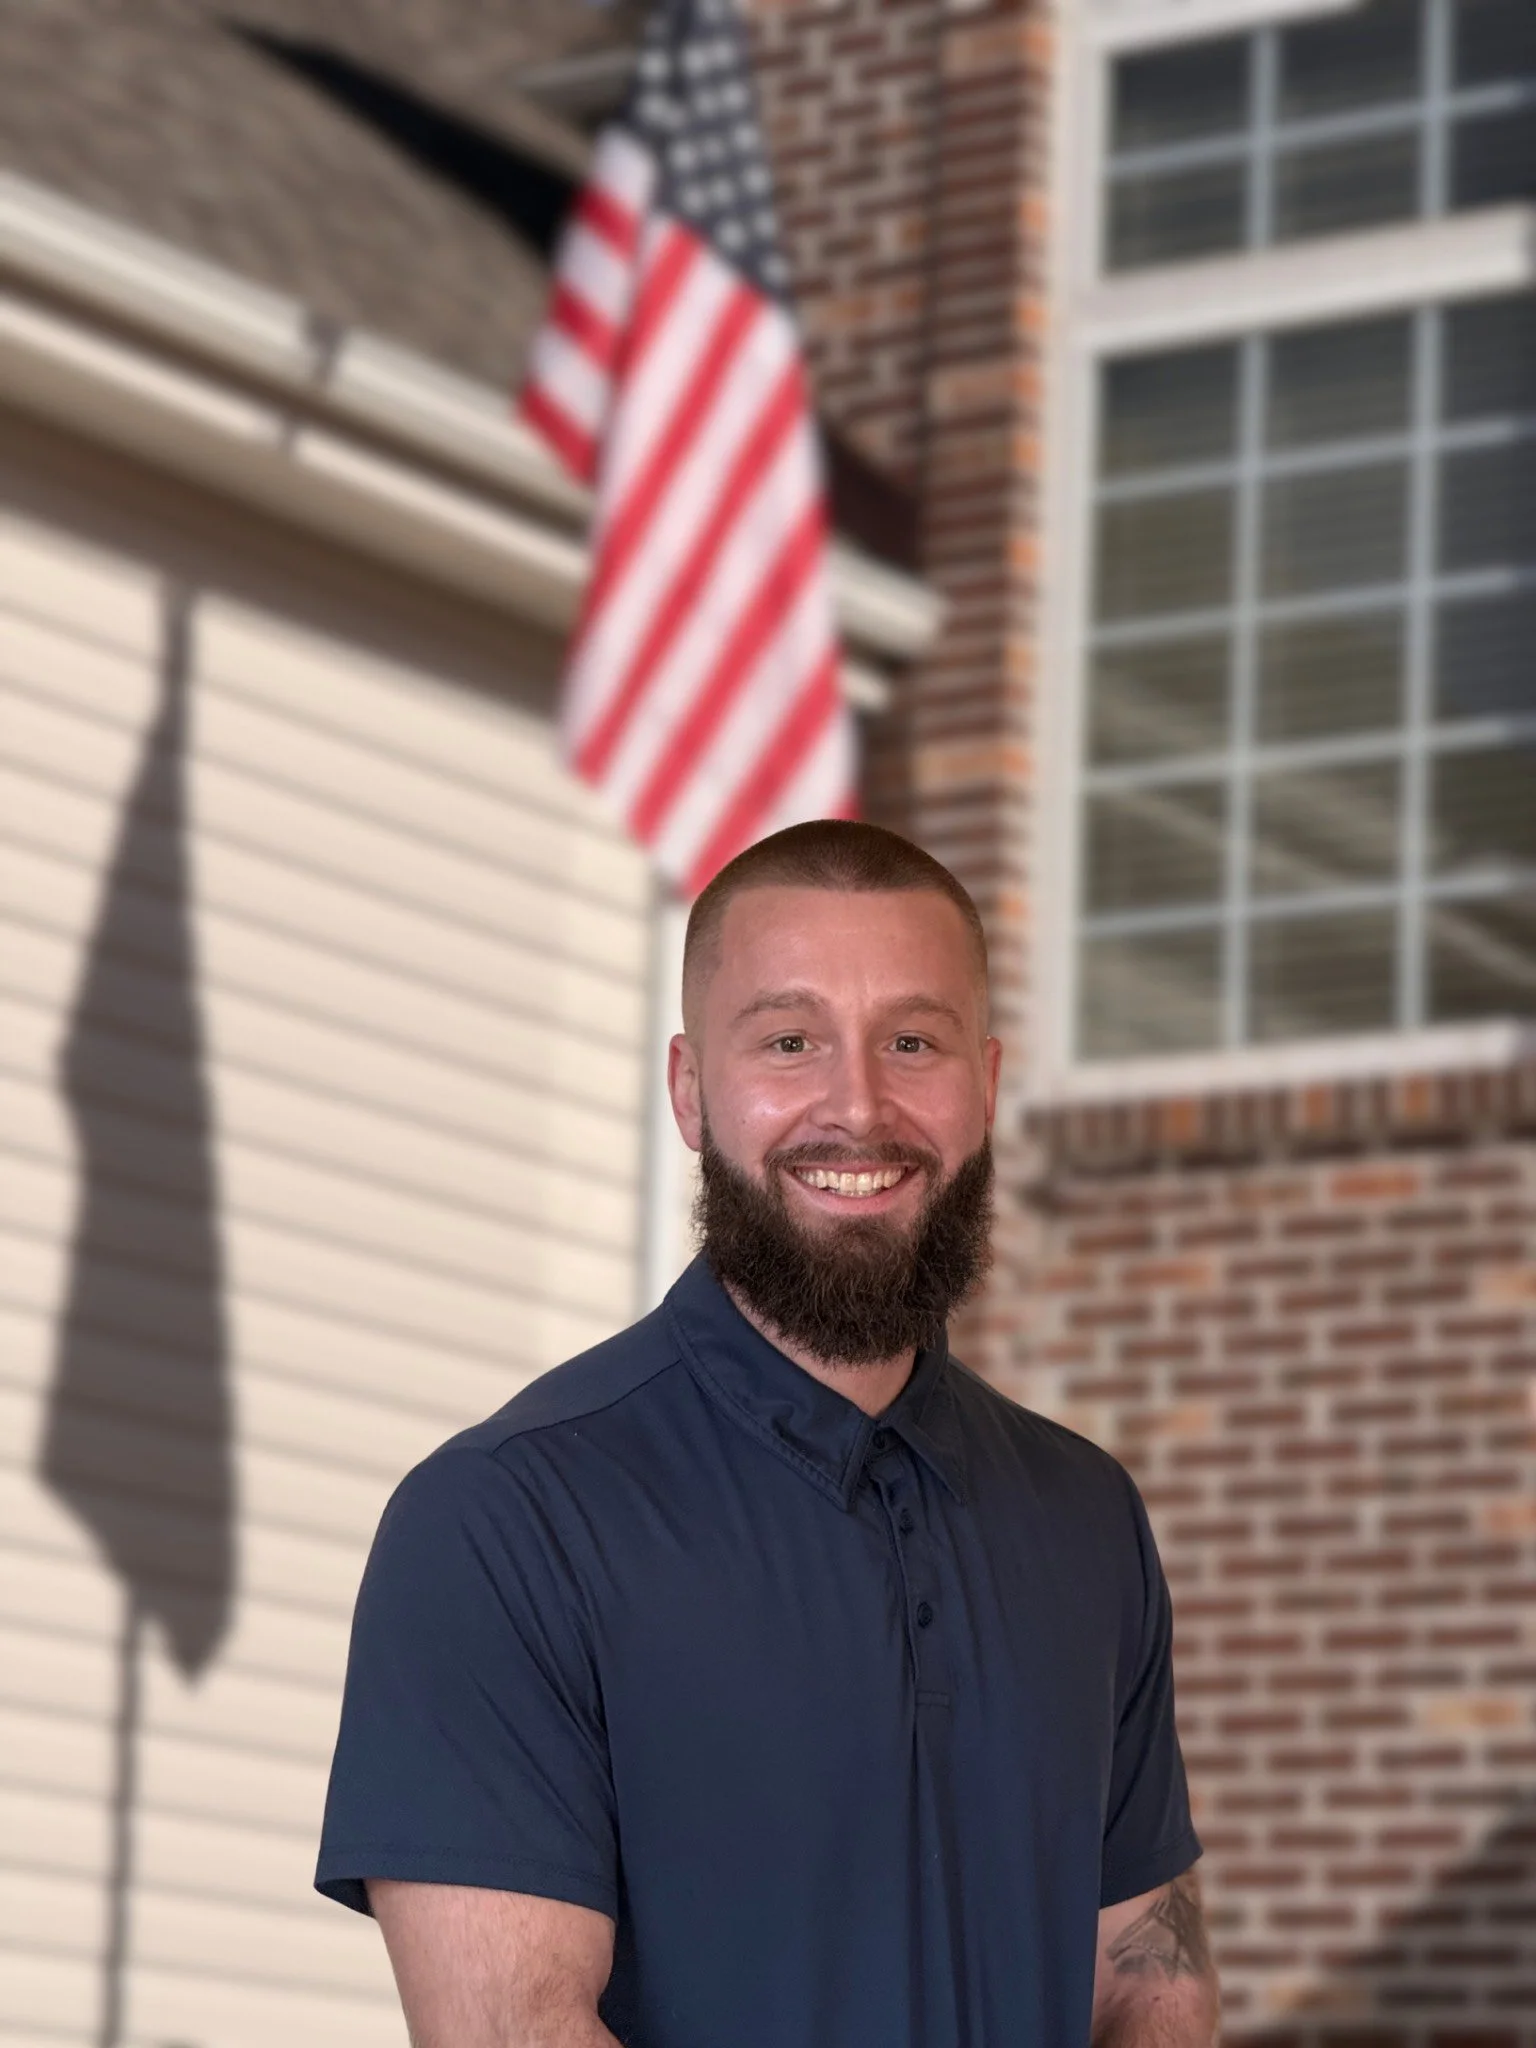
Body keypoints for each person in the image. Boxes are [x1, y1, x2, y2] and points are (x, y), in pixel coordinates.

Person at [316, 820, 1217, 2048]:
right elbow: (516, 2029)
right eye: (790, 1041)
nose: (858, 1103)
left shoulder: (1086, 1517)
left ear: (988, 1086)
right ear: (690, 1090)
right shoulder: (501, 1522)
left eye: (913, 1040)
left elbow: (1145, 1983)